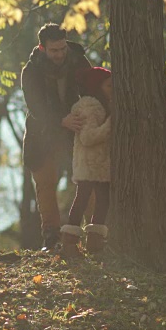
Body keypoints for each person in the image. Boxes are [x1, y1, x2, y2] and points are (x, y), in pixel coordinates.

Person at [21, 23, 92, 250]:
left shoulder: (78, 61)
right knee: (45, 183)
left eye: (62, 49)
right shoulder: (30, 71)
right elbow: (35, 106)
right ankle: (51, 237)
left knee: (86, 180)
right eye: (54, 50)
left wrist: (83, 117)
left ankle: (93, 234)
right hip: (42, 136)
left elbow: (93, 90)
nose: (60, 54)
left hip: (77, 131)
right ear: (43, 48)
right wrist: (62, 120)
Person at [60, 67, 113, 258]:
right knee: (82, 199)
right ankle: (69, 243)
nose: (112, 89)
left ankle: (95, 243)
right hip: (89, 164)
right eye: (108, 85)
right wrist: (110, 124)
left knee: (103, 200)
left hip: (99, 165)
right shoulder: (90, 107)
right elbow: (88, 137)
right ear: (96, 87)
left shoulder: (102, 105)